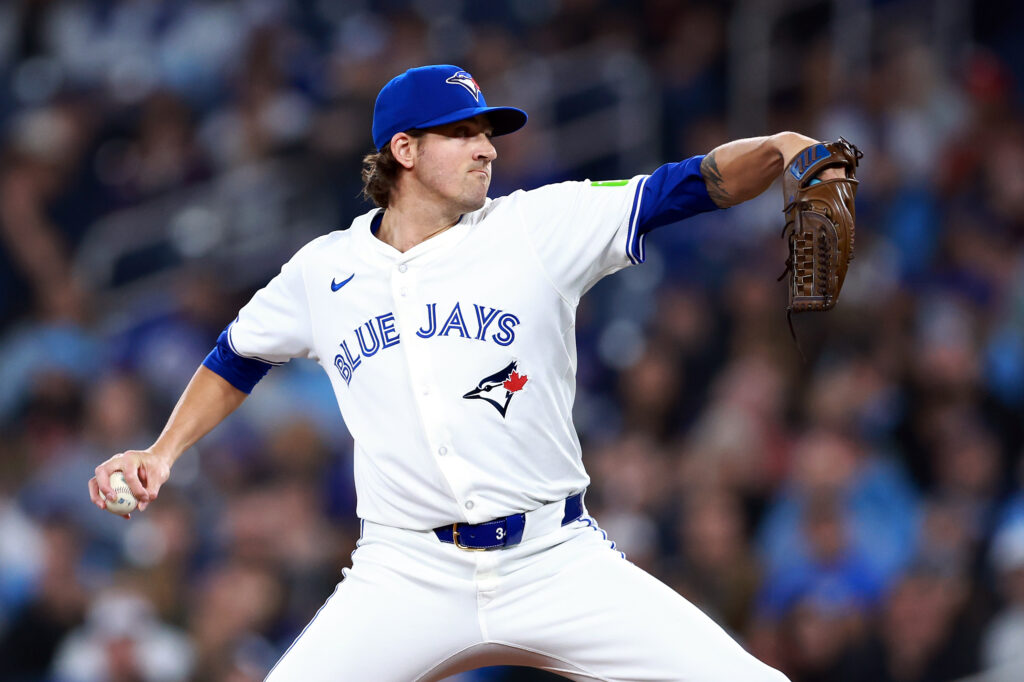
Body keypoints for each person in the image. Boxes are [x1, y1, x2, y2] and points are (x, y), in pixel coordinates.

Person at [89, 64, 844, 681]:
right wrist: (162, 452)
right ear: (405, 150)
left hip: (554, 558)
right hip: (405, 571)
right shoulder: (323, 271)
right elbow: (236, 356)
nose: (487, 148)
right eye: (464, 133)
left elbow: (689, 185)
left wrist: (778, 146)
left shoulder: (537, 226)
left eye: (489, 132)